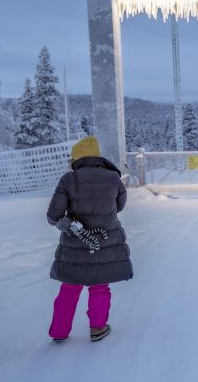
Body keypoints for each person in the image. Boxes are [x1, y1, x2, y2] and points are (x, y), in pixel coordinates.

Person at [46, 136, 133, 343]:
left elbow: (53, 216)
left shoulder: (69, 179)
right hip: (105, 241)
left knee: (69, 288)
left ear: (76, 158)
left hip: (76, 241)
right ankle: (98, 328)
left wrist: (68, 221)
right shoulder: (114, 178)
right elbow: (119, 206)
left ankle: (59, 331)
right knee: (100, 286)